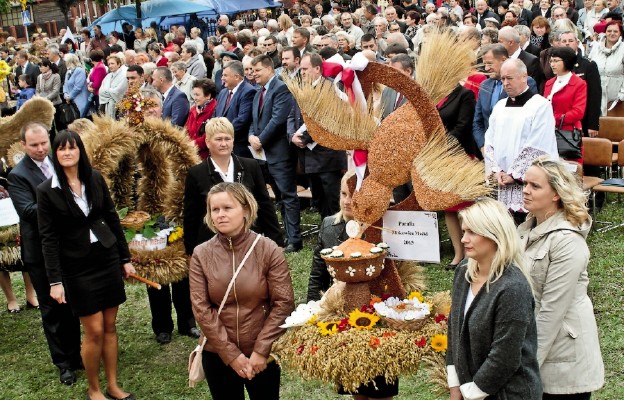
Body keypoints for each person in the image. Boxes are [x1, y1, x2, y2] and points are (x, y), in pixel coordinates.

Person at [36, 130, 135, 400]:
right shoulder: (47, 191)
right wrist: (55, 281)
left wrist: (124, 259)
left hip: (106, 258)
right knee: (94, 331)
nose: (67, 152)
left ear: (80, 150)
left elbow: (112, 218)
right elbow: (48, 239)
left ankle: (113, 385)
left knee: (111, 327)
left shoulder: (94, 178)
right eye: (61, 149)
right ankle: (94, 389)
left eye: (72, 147)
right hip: (77, 268)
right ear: (55, 154)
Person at [188, 182, 294, 400]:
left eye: (227, 208)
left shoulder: (268, 249)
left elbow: (283, 303)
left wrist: (261, 350)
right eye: (214, 210)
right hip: (217, 353)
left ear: (246, 210)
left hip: (261, 354)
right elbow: (201, 309)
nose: (220, 215)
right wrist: (231, 355)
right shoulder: (201, 254)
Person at [518, 157, 604, 399]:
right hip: (536, 346)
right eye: (525, 183)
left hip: (565, 360)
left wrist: (527, 369)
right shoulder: (526, 229)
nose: (525, 190)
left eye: (535, 186)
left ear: (556, 193)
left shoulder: (567, 241)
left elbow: (552, 311)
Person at [8, 122, 81, 385]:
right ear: (24, 146)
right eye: (34, 145)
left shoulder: (58, 162)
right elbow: (27, 210)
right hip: (40, 253)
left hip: (67, 249)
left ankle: (76, 355)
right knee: (51, 309)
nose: (40, 149)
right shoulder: (18, 174)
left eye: (43, 143)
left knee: (71, 304)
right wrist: (63, 205)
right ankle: (63, 363)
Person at [447, 198, 542, 400]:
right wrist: (455, 386)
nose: (463, 239)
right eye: (464, 231)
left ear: (494, 236)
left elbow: (504, 357)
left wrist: (470, 393)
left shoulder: (513, 288)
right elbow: (454, 330)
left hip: (510, 394)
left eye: (472, 232)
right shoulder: (463, 272)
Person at [183, 117, 283, 260]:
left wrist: (276, 241)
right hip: (211, 243)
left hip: (249, 240)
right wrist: (190, 250)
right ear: (207, 142)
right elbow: (191, 215)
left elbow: (265, 205)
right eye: (218, 139)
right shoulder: (196, 173)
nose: (224, 144)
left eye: (227, 139)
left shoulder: (251, 166)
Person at [484, 59, 558, 220]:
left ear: (524, 77)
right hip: (502, 181)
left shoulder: (540, 105)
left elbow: (538, 144)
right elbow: (489, 140)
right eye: (502, 79)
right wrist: (496, 171)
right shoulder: (499, 106)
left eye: (509, 78)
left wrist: (514, 174)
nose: (505, 83)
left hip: (526, 182)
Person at [249, 54, 301, 253]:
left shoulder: (281, 88)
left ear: (269, 69)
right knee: (277, 197)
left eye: (258, 71)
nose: (254, 75)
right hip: (262, 154)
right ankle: (282, 235)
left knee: (288, 195)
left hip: (279, 152)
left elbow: (278, 119)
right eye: (252, 71)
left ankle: (294, 239)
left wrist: (260, 139)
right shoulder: (258, 92)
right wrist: (251, 137)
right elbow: (253, 122)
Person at [288, 53, 347, 219]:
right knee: (319, 197)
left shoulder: (330, 87)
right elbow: (292, 114)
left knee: (332, 199)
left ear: (317, 69)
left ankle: (336, 237)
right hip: (308, 155)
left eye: (305, 69)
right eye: (301, 70)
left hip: (327, 155)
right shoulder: (302, 87)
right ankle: (324, 233)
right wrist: (292, 135)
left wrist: (304, 138)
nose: (302, 73)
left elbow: (328, 118)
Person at [543, 46, 587, 161]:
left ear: (567, 61)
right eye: (551, 61)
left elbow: (578, 112)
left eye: (556, 61)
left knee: (569, 169)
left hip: (569, 134)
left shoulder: (579, 84)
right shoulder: (549, 83)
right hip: (549, 132)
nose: (552, 64)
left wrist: (554, 118)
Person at [588, 20, 624, 115]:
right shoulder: (596, 48)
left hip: (616, 97)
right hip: (596, 93)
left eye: (615, 31)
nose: (612, 33)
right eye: (609, 31)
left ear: (620, 33)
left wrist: (622, 94)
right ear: (605, 32)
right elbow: (589, 68)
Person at [184, 78, 218, 160]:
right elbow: (186, 129)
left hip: (207, 156)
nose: (194, 98)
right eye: (194, 94)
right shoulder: (193, 109)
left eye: (197, 95)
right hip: (191, 153)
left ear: (208, 95)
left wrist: (194, 144)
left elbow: (211, 134)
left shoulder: (215, 109)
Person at [98, 54, 128, 118]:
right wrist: (110, 92)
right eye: (109, 64)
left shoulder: (124, 76)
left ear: (119, 64)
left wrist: (107, 91)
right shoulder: (108, 76)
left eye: (112, 63)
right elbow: (101, 91)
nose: (110, 66)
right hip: (106, 105)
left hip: (118, 107)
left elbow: (118, 91)